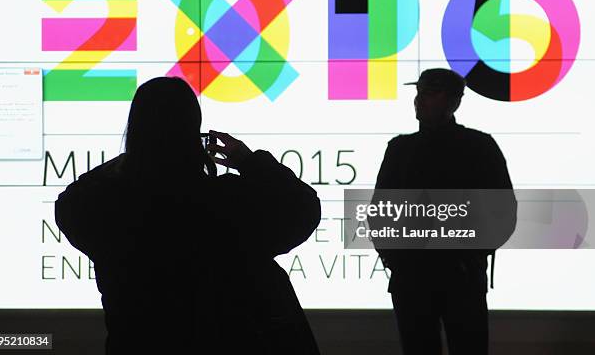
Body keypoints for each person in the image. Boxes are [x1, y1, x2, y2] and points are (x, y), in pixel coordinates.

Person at [55, 76, 321, 355]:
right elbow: (303, 206)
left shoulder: (110, 209)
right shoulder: (230, 202)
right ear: (194, 134)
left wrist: (132, 158)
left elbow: (70, 202)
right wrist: (249, 161)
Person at [373, 68, 516, 355]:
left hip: (458, 276)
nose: (419, 100)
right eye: (418, 92)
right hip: (415, 277)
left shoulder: (479, 147)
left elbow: (503, 212)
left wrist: (471, 254)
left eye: (429, 92)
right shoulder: (400, 149)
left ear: (454, 101)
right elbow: (380, 212)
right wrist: (395, 258)